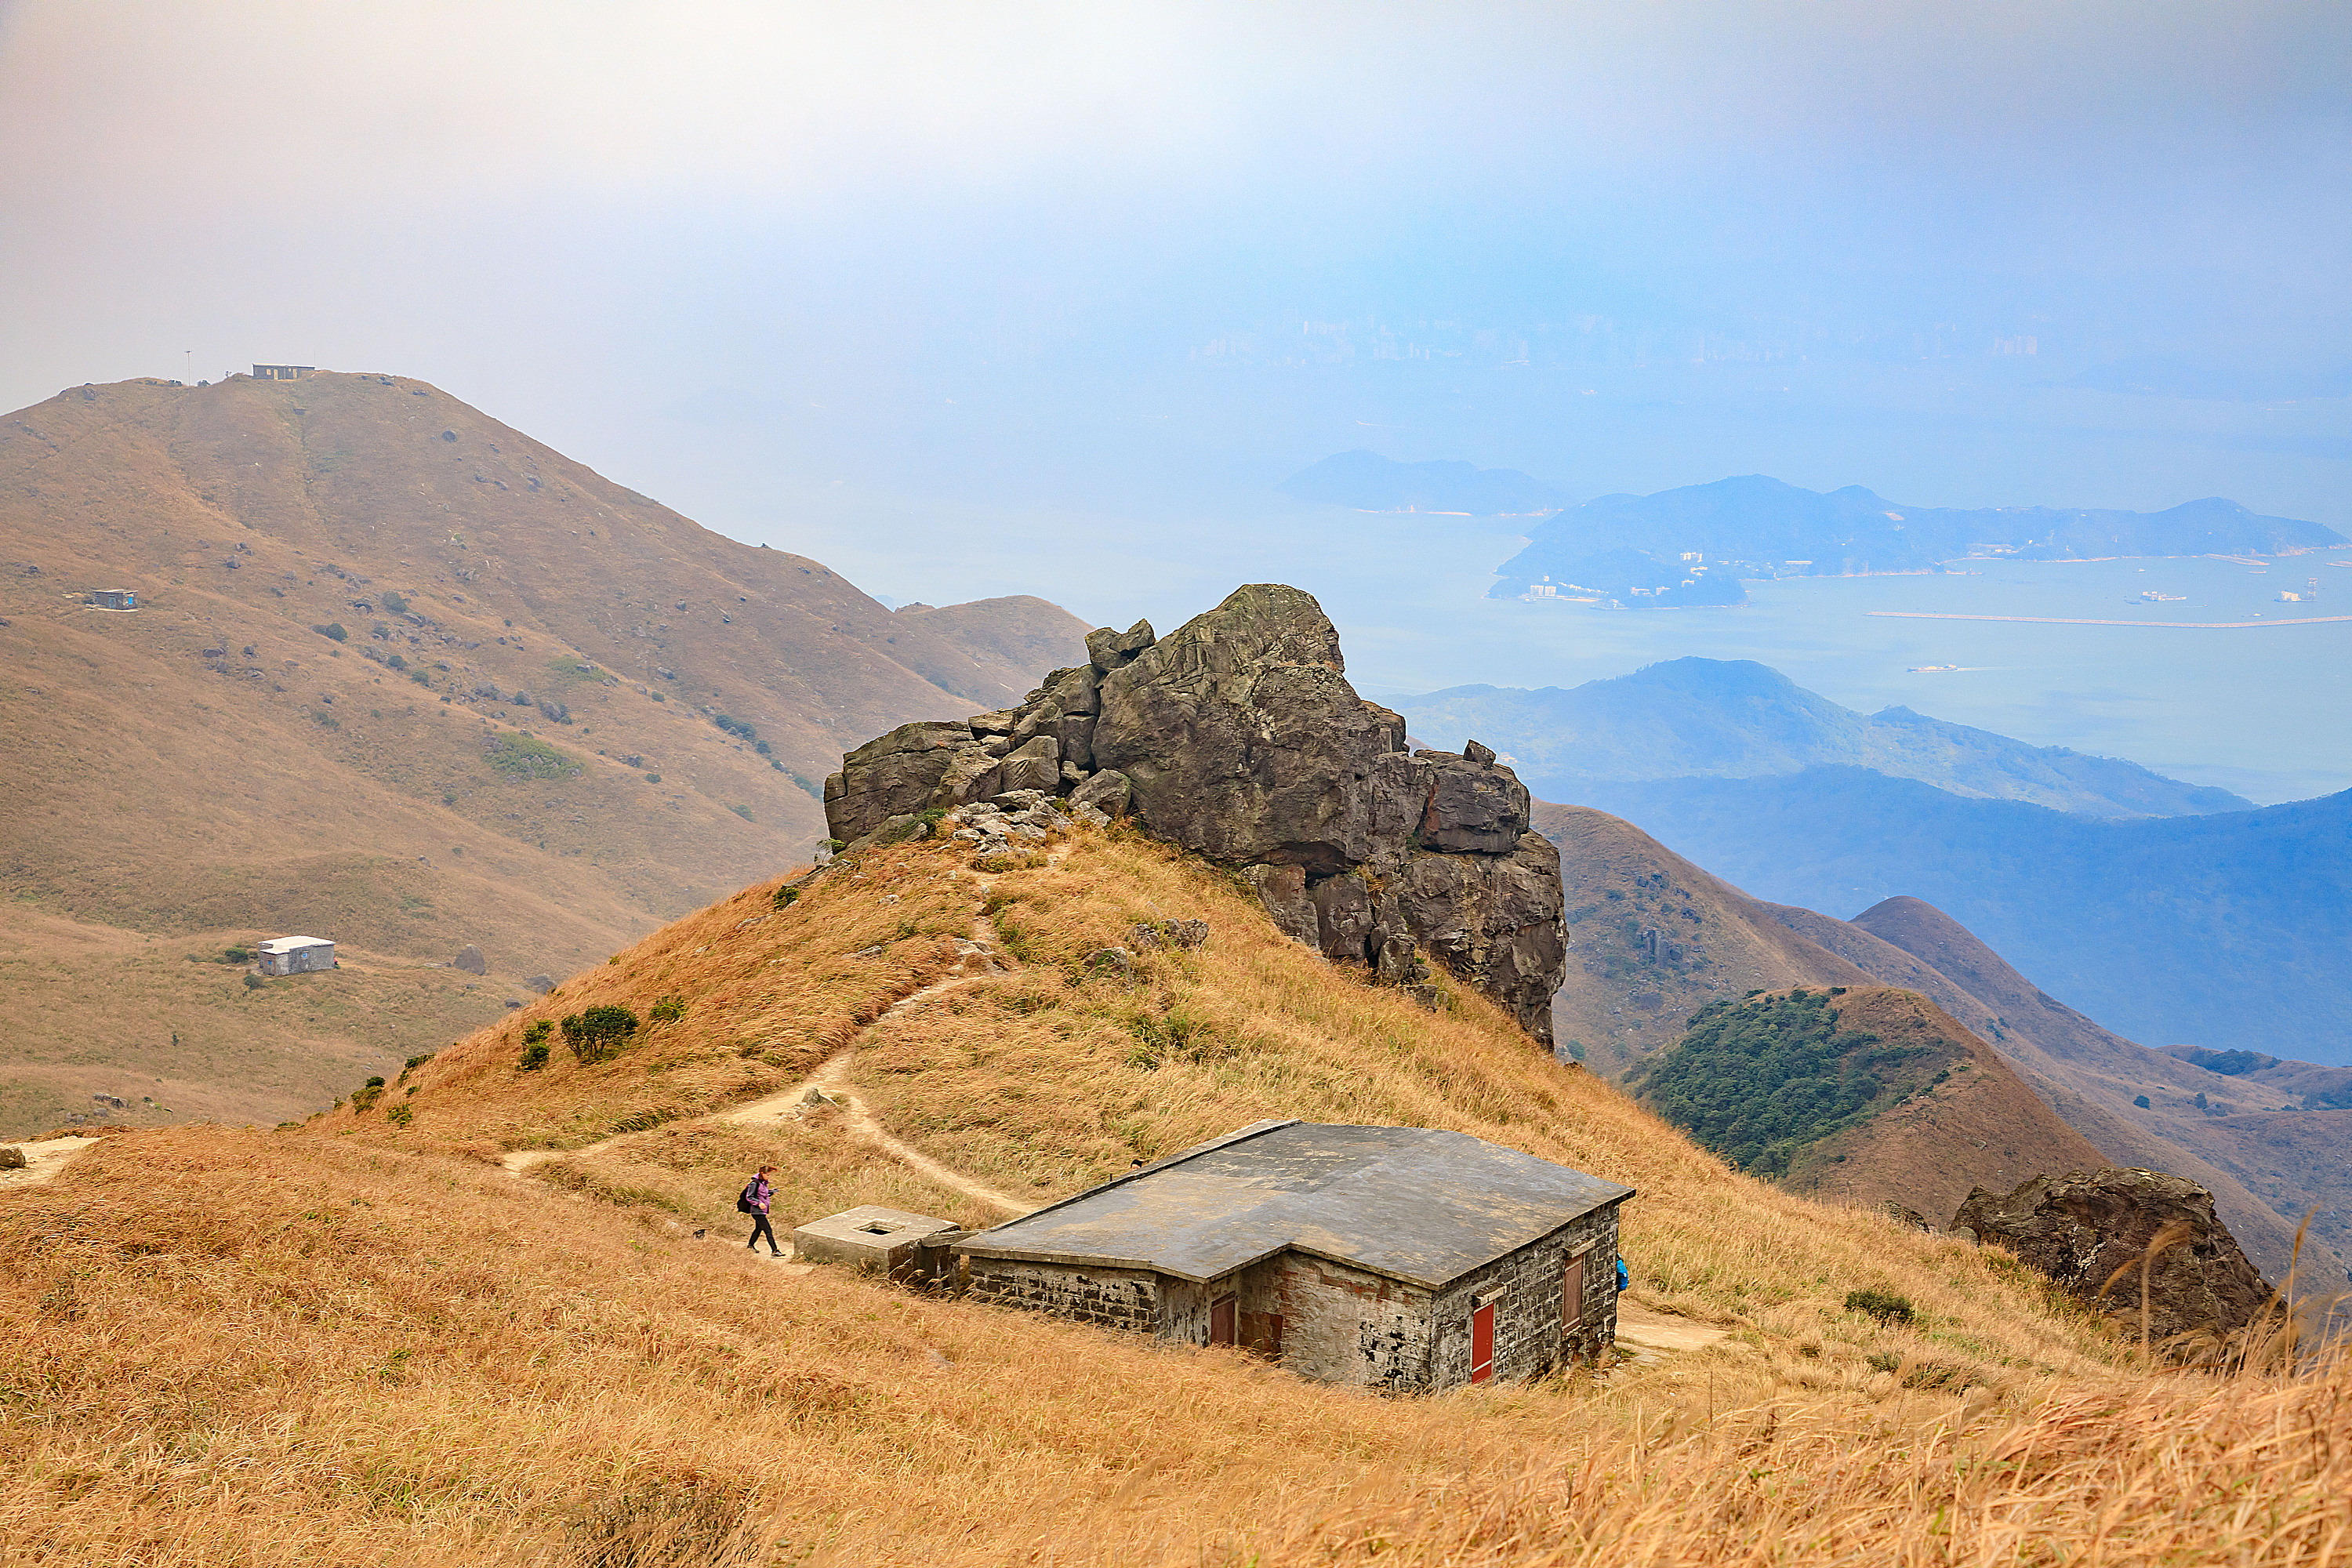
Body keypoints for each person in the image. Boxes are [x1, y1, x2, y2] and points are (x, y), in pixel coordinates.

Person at [739, 1165, 782, 1257]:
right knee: (768, 1230)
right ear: (762, 1174)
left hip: (762, 1211)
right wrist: (758, 1203)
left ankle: (750, 1246)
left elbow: (764, 1194)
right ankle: (775, 1250)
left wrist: (772, 1192)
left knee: (758, 1229)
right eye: (768, 1175)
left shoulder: (763, 1184)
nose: (769, 1177)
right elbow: (749, 1197)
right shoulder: (755, 1183)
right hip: (757, 1211)